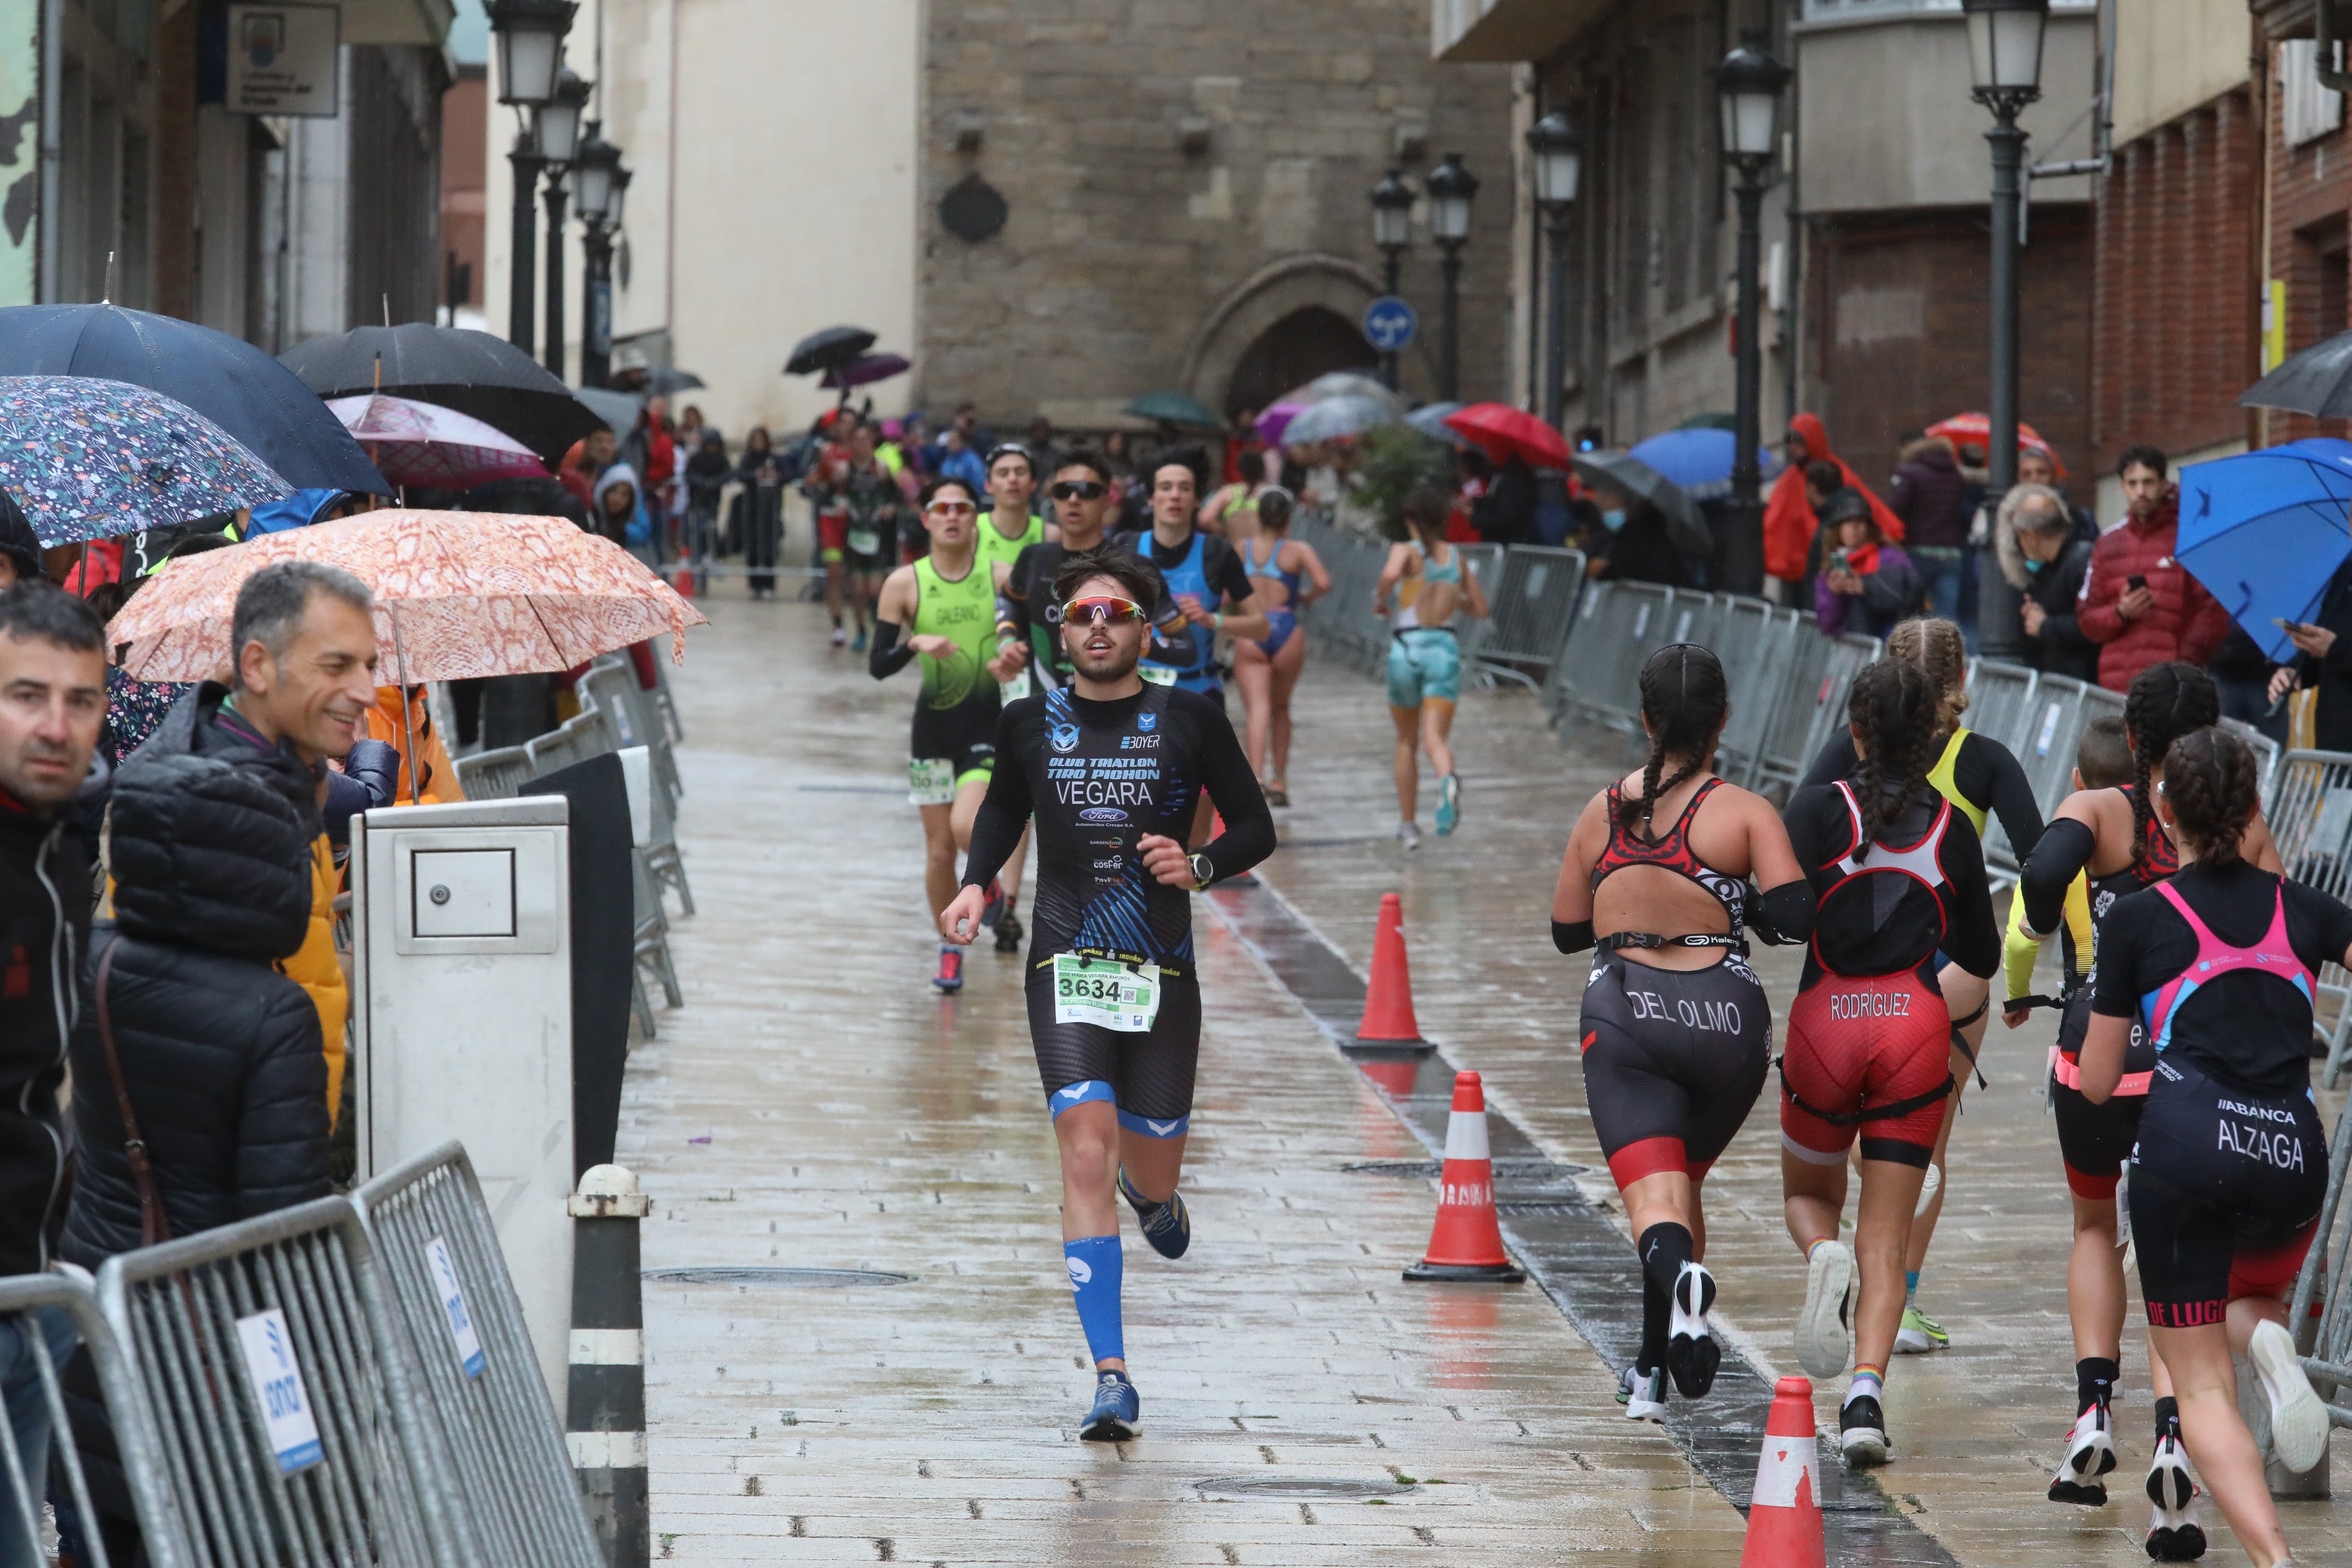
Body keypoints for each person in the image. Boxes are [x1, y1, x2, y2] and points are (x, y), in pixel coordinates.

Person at [937, 545, 1275, 1442]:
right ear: (1060, 627)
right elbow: (1006, 808)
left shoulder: (1190, 716)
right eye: (1083, 612)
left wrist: (1198, 862)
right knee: (1083, 1147)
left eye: (1116, 612)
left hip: (1161, 972)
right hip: (1065, 963)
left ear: (1144, 625)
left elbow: (1257, 825)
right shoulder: (1027, 723)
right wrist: (979, 884)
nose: (1098, 625)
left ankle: (1153, 1191)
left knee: (1144, 1162)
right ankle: (1113, 1375)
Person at [2006, 663, 2281, 1546]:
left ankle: (2092, 1414)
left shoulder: (2101, 809)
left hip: (2100, 1045)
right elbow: (2275, 929)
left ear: (2130, 740)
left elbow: (2039, 878)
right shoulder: (2237, 823)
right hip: (2195, 1058)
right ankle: (2174, 1438)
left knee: (2096, 1230)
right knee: (2183, 1263)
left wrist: (2059, 921)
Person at [2079, 726, 2340, 1568]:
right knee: (2248, 1300)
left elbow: (2094, 1080)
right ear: (2257, 805)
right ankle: (2268, 1339)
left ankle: (2274, 1556)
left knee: (2194, 1379)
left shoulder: (2142, 920)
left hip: (2188, 1147)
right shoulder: (2306, 910)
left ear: (2163, 808)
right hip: (2294, 1154)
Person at [1549, 644, 1812, 1422]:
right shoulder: (1745, 810)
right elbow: (1798, 916)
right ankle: (1651, 1364)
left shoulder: (1604, 809)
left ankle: (1677, 1311)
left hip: (1628, 1014)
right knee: (1678, 1183)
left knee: (1654, 1196)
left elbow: (1567, 930)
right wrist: (1740, 907)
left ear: (1644, 720)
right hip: (1727, 1018)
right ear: (1725, 721)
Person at [1798, 618, 2042, 1356]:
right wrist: (2026, 968)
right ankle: (1898, 1301)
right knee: (1922, 1150)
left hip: (1855, 975)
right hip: (1949, 975)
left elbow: (1792, 842)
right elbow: (2041, 862)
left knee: (1842, 1141)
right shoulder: (1985, 760)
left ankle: (1838, 1253)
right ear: (1962, 680)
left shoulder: (1847, 753)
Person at [1778, 657, 1999, 1466]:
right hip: (1913, 1022)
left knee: (1809, 1191)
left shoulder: (1811, 811)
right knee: (1888, 1225)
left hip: (1825, 1019)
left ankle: (1818, 1255)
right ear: (1935, 734)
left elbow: (1780, 916)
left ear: (1855, 730)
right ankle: (1866, 1392)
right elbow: (1974, 946)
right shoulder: (1954, 827)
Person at [0, 584, 104, 1567]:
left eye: (81, 700)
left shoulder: (64, 853)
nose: (55, 725)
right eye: (27, 695)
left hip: (31, 1297)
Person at [871, 478, 1005, 994]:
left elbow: (1035, 641)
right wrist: (914, 645)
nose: (952, 516)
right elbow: (878, 666)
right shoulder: (904, 584)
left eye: (962, 508)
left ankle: (987, 879)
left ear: (976, 519)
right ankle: (950, 946)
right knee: (938, 852)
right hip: (931, 732)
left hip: (986, 724)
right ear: (926, 519)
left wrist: (1013, 653)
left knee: (967, 824)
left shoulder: (1000, 577)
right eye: (941, 508)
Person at [1113, 449, 1269, 735]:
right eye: (1165, 488)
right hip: (1133, 694)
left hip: (1197, 694)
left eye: (1185, 489)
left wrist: (1214, 620)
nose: (1175, 496)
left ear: (1197, 500)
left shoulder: (1216, 552)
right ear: (1151, 499)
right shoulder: (1127, 547)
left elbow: (1261, 627)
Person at [1377, 487, 1489, 847]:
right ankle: (1447, 777)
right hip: (1443, 650)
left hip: (1406, 650)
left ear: (1410, 521)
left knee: (1406, 741)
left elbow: (1391, 576)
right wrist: (1453, 598)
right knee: (1434, 739)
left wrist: (1380, 600)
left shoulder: (1404, 551)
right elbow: (1481, 609)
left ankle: (1408, 826)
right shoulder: (1456, 559)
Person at [2077, 447, 2230, 694]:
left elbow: (2212, 611)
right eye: (2133, 483)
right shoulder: (2106, 544)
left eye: (2148, 482)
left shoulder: (2188, 538)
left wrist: (2183, 664)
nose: (2141, 492)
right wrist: (2120, 612)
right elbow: (2086, 619)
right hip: (2117, 686)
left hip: (2172, 685)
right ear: (2123, 488)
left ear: (2162, 484)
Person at [1231, 487, 1327, 805]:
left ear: (1259, 518)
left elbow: (1226, 594)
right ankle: (1280, 781)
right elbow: (1324, 582)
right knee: (1282, 709)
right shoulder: (1298, 550)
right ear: (1288, 518)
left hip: (1252, 628)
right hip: (1287, 628)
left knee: (1257, 709)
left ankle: (1255, 777)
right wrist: (1305, 598)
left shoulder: (1242, 549)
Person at [1764, 414, 1906, 607]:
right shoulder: (1792, 479)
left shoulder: (1831, 476)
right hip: (1800, 569)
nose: (1793, 447)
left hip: (1820, 566)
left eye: (1798, 441)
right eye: (1790, 441)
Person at [1998, 484, 2099, 682]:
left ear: (2030, 536)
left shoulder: (2082, 560)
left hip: (2084, 679)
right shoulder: (2046, 569)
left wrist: (2045, 626)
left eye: (2019, 537)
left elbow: (2094, 625)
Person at [826, 422, 909, 653]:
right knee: (857, 589)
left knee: (875, 589)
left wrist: (890, 509)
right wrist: (838, 504)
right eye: (858, 440)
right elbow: (829, 494)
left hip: (876, 533)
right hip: (853, 534)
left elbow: (896, 495)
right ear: (852, 443)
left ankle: (877, 615)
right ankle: (861, 631)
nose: (862, 445)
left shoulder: (881, 469)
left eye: (867, 440)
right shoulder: (844, 470)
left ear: (872, 444)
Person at [1887, 433, 1973, 641]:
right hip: (1951, 553)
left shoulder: (1909, 471)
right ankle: (1947, 666)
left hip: (1918, 550)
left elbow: (1895, 509)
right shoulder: (1955, 474)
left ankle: (1911, 662)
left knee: (1909, 614)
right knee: (1946, 619)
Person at [2267, 553, 2352, 750]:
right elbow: (2322, 649)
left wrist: (2335, 649)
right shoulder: (2345, 574)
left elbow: (2333, 648)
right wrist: (2295, 671)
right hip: (2332, 744)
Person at [1813, 492, 1922, 638]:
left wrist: (1865, 586)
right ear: (1838, 529)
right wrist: (1836, 595)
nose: (1855, 527)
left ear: (1869, 527)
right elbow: (1827, 625)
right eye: (1848, 521)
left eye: (1860, 521)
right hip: (1849, 650)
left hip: (1888, 641)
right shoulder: (1831, 569)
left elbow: (1912, 591)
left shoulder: (1890, 557)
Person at [1583, 485, 1692, 588]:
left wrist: (1605, 570)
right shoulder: (1652, 532)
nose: (1603, 504)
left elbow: (1626, 566)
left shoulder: (1638, 534)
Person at [975, 443, 1048, 575]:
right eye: (1003, 473)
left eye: (1020, 472)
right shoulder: (972, 531)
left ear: (1034, 484)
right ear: (988, 485)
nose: (1012, 479)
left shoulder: (1050, 535)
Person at [737, 427, 789, 599]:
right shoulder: (747, 459)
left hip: (771, 509)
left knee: (769, 547)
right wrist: (755, 475)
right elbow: (740, 474)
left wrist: (777, 476)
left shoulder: (774, 459)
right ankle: (754, 584)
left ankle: (769, 584)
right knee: (752, 545)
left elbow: (788, 474)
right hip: (752, 508)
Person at [683, 430, 731, 594]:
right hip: (697, 504)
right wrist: (704, 483)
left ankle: (706, 575)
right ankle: (698, 578)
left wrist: (714, 483)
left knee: (710, 539)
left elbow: (728, 474)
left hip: (712, 506)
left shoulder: (721, 459)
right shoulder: (697, 459)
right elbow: (689, 474)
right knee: (696, 542)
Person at [1200, 450, 1270, 543]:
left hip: (1234, 549)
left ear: (1240, 470)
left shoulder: (1228, 492)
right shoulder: (1270, 493)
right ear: (1263, 470)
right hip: (1263, 552)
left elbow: (1205, 519)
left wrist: (1224, 529)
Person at [593, 466, 651, 560]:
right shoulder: (590, 518)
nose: (618, 499)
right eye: (614, 491)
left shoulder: (622, 532)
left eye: (625, 494)